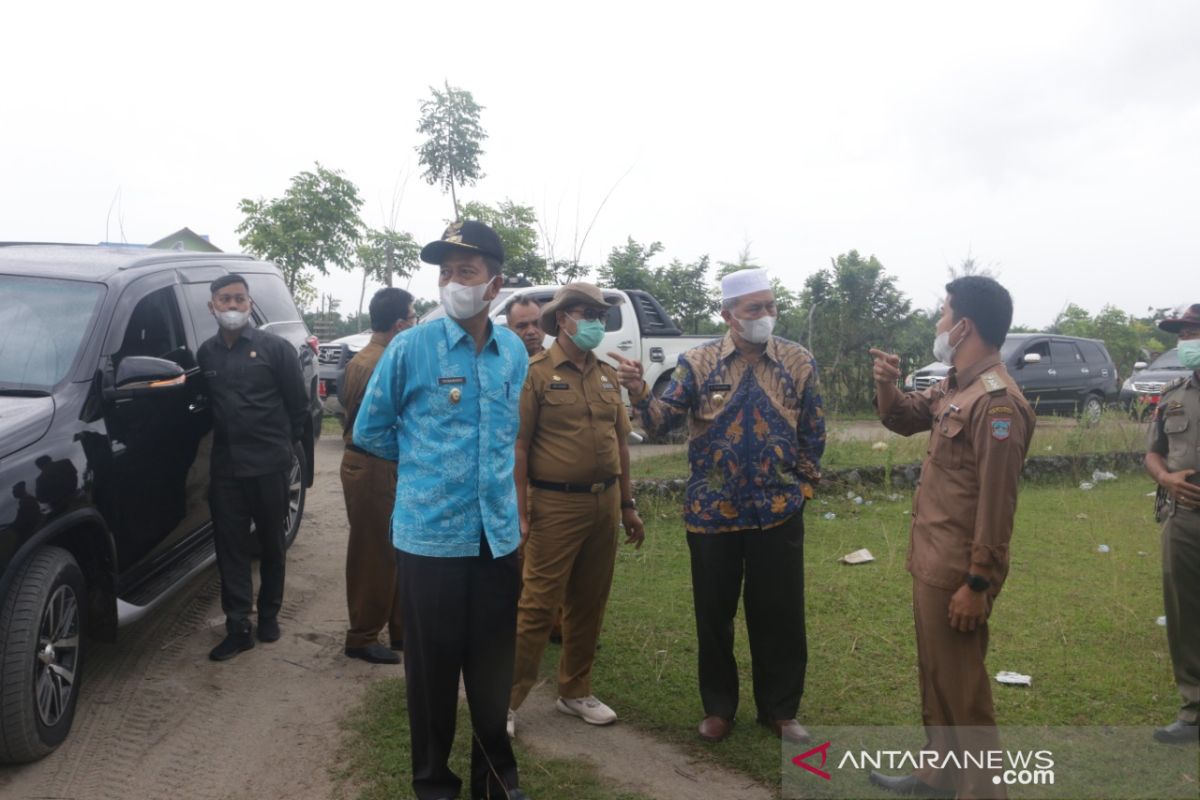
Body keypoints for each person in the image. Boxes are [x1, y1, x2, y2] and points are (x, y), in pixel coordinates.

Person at [353, 220, 532, 800]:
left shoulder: (513, 354)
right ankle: (433, 785)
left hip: (496, 539)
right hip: (430, 540)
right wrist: (428, 470)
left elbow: (508, 438)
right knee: (430, 677)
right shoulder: (411, 347)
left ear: (495, 284)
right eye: (445, 271)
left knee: (491, 671)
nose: (453, 281)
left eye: (467, 271)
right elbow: (370, 431)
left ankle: (494, 782)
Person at [611, 267, 824, 745]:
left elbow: (814, 430)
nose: (765, 316)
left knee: (781, 614)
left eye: (770, 306)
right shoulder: (698, 362)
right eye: (754, 309)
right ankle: (718, 708)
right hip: (711, 513)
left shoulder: (798, 359)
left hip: (778, 511)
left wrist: (803, 485)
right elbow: (662, 422)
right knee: (714, 614)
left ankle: (780, 710)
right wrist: (640, 391)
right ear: (728, 314)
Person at [867, 276, 1034, 797]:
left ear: (963, 326)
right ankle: (936, 775)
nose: (937, 324)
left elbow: (996, 501)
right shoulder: (955, 386)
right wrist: (886, 382)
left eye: (943, 314)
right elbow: (900, 417)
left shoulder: (997, 402)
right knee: (936, 677)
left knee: (963, 689)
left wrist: (978, 581)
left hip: (961, 571)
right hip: (931, 560)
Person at [507, 283, 646, 738]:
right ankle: (506, 701)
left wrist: (627, 504)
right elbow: (520, 447)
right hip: (554, 504)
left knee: (589, 601)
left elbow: (620, 445)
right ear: (562, 319)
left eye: (599, 315)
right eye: (585, 313)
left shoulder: (607, 375)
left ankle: (575, 690)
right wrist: (522, 512)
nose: (594, 322)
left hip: (604, 503)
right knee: (536, 605)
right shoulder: (537, 373)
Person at [197, 273, 308, 662]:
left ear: (249, 304)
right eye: (224, 300)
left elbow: (298, 408)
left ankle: (269, 616)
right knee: (231, 550)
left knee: (272, 544)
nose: (232, 307)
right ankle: (238, 626)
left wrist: (283, 450)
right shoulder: (206, 354)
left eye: (239, 299)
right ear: (212, 306)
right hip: (227, 469)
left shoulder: (275, 349)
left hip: (269, 465)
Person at [340, 287, 416, 665]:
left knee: (396, 549)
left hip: (378, 463)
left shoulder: (371, 357)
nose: (415, 324)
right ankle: (362, 636)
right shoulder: (378, 364)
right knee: (374, 552)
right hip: (372, 463)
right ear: (399, 324)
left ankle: (400, 630)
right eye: (413, 318)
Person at [1144, 303, 1200, 745]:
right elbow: (1153, 452)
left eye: (1193, 333)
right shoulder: (1174, 394)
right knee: (1185, 613)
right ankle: (1193, 711)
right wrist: (1165, 477)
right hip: (1184, 519)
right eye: (1182, 335)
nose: (1186, 343)